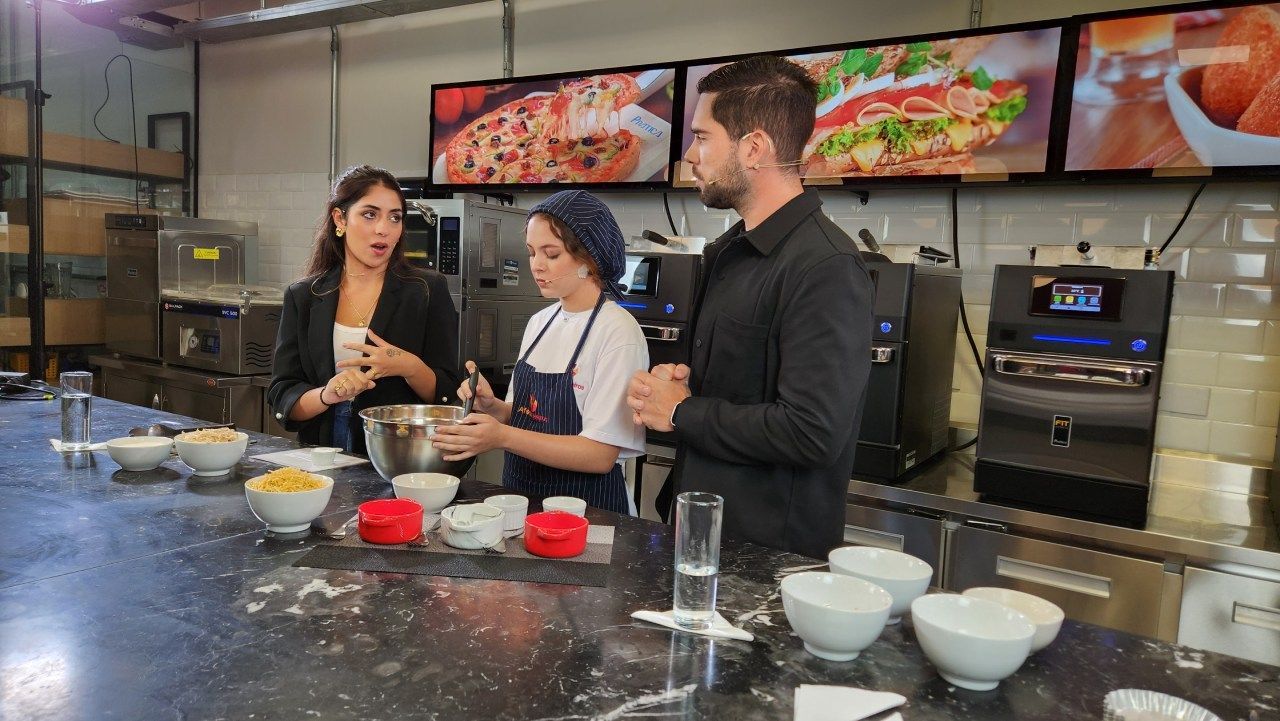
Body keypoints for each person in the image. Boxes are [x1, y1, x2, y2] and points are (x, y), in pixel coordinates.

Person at [627, 56, 875, 559]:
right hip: (702, 537)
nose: (692, 156)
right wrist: (685, 384)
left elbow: (812, 432)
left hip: (766, 559)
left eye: (702, 137)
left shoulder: (826, 265)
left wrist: (681, 410)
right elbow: (742, 389)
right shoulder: (730, 251)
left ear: (754, 148)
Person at [432, 190, 648, 514]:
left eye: (551, 253)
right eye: (532, 252)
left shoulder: (616, 331)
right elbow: (525, 417)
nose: (536, 265)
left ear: (589, 258)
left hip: (588, 513)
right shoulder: (539, 322)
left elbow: (600, 454)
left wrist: (502, 437)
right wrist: (493, 408)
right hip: (522, 503)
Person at [268, 165, 461, 454]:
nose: (383, 229)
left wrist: (409, 366)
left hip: (400, 453)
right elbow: (283, 395)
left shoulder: (426, 290)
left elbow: (448, 393)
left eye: (395, 217)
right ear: (340, 219)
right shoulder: (304, 296)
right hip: (322, 454)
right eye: (370, 214)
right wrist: (327, 395)